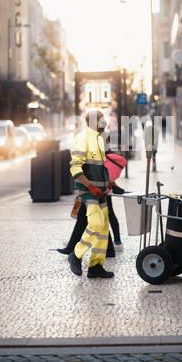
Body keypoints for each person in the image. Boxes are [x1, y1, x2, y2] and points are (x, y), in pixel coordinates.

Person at [68, 110, 113, 279]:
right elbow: (75, 167)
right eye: (100, 119)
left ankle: (95, 266)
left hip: (100, 192)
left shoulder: (99, 139)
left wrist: (109, 182)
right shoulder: (82, 138)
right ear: (93, 122)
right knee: (95, 223)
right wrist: (90, 186)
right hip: (88, 191)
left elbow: (100, 167)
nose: (103, 122)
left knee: (103, 228)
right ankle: (76, 255)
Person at [57, 152, 126, 256]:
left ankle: (72, 248)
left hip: (94, 191)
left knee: (86, 219)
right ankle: (108, 250)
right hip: (96, 190)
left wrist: (90, 187)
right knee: (93, 219)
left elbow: (93, 170)